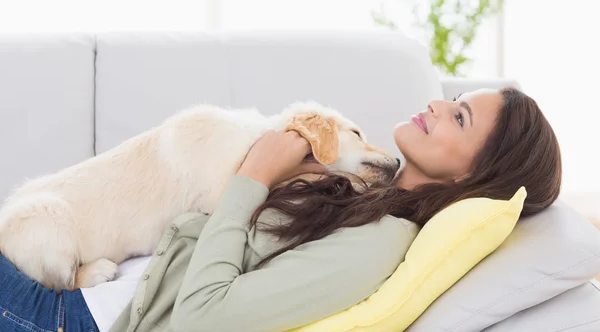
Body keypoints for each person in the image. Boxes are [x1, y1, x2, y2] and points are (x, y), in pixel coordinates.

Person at [0, 87, 561, 332]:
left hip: (69, 319)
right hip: (74, 291)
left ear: (470, 175)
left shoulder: (377, 243)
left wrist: (253, 177)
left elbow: (201, 317)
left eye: (459, 117)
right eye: (455, 101)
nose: (439, 103)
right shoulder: (357, 194)